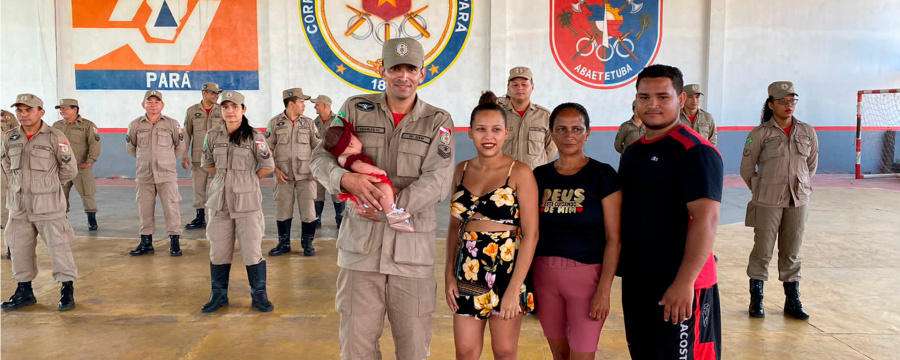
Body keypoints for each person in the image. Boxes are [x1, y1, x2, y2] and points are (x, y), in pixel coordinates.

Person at [310, 37, 455, 360]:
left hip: (412, 253)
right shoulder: (354, 108)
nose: (403, 76)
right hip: (361, 251)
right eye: (395, 68)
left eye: (411, 69)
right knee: (356, 348)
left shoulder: (437, 121)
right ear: (382, 71)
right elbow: (319, 159)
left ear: (422, 73)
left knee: (414, 349)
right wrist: (344, 178)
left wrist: (391, 205)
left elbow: (439, 180)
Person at [618, 65, 723, 360]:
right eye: (644, 97)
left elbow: (707, 219)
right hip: (639, 281)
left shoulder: (695, 151)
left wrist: (684, 282)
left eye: (663, 97)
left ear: (681, 99)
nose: (652, 104)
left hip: (680, 284)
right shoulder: (634, 153)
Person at [444, 91, 538, 359]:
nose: (489, 136)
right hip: (467, 270)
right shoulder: (460, 170)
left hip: (507, 272)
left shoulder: (519, 172)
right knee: (465, 352)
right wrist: (449, 274)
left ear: (506, 133)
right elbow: (454, 227)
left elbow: (531, 235)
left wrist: (513, 290)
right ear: (470, 132)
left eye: (496, 129)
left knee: (505, 351)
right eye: (481, 129)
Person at [532, 102, 622, 360]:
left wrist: (604, 290)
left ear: (587, 133)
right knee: (559, 355)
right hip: (544, 277)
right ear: (551, 133)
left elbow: (614, 239)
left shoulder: (602, 176)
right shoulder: (539, 176)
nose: (569, 135)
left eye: (576, 129)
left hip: (587, 280)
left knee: (582, 355)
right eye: (561, 129)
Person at [740, 81, 818, 320]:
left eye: (792, 100)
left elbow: (811, 165)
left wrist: (799, 185)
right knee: (762, 251)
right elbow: (746, 169)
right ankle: (757, 300)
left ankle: (792, 301)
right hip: (767, 202)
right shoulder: (759, 134)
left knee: (792, 251)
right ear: (771, 104)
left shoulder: (807, 131)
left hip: (798, 200)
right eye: (782, 101)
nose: (788, 105)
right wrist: (761, 190)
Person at [199, 90, 276, 313]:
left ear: (243, 110)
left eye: (234, 107)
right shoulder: (212, 135)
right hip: (219, 201)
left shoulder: (255, 137)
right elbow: (207, 164)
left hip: (247, 203)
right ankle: (218, 294)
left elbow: (267, 167)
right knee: (219, 250)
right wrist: (225, 179)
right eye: (225, 107)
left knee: (252, 249)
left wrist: (247, 180)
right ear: (220, 110)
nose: (230, 111)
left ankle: (259, 294)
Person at [1, 94, 79, 311]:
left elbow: (69, 169)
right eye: (19, 111)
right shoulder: (10, 137)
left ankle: (66, 289)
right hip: (18, 207)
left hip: (48, 206)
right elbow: (6, 165)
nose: (23, 115)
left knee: (58, 247)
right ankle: (24, 291)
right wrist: (20, 185)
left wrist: (47, 185)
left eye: (28, 110)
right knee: (18, 248)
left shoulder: (55, 136)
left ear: (41, 112)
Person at [321, 122, 414, 232]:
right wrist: (378, 171)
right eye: (355, 137)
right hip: (370, 185)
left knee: (391, 193)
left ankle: (394, 213)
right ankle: (392, 216)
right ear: (351, 143)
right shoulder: (351, 158)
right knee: (385, 190)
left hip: (366, 187)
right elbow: (361, 168)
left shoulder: (341, 158)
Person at [125, 90, 186, 257]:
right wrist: (145, 159)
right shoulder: (135, 124)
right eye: (149, 102)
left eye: (156, 102)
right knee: (145, 209)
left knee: (171, 207)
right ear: (143, 105)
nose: (153, 105)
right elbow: (131, 147)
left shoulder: (172, 124)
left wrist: (165, 159)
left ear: (162, 105)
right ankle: (146, 243)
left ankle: (174, 242)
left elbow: (180, 146)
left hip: (166, 174)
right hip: (144, 174)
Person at [265, 88, 320, 257]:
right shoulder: (275, 123)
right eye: (301, 102)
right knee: (283, 210)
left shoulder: (309, 123)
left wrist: (317, 169)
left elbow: (318, 148)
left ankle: (307, 244)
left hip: (306, 175)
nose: (304, 105)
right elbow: (267, 150)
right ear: (291, 103)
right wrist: (275, 170)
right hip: (284, 176)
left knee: (309, 211)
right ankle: (284, 243)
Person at [52, 98, 101, 231]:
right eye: (60, 109)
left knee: (87, 193)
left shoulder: (87, 125)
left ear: (75, 109)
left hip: (81, 167)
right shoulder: (57, 126)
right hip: (62, 168)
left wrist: (90, 161)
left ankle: (92, 219)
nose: (62, 111)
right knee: (60, 194)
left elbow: (94, 144)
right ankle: (62, 219)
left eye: (65, 108)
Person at [182, 82, 224, 230]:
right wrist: (184, 154)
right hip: (198, 157)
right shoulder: (192, 111)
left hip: (218, 158)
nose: (216, 96)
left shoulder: (222, 110)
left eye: (217, 93)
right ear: (204, 93)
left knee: (220, 188)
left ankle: (220, 216)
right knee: (198, 189)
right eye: (213, 93)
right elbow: (186, 134)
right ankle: (200, 217)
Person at [501, 66, 557, 169]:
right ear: (508, 88)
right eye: (515, 85)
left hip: (536, 176)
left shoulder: (544, 116)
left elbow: (551, 147)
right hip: (506, 176)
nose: (520, 88)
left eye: (524, 84)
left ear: (532, 87)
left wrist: (539, 166)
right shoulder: (499, 115)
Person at [311, 95, 345, 229]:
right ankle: (317, 219)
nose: (314, 106)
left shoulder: (339, 121)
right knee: (317, 194)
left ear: (325, 106)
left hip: (335, 164)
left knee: (337, 193)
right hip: (319, 164)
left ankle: (340, 219)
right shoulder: (313, 123)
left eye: (316, 104)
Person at [2, 108, 20, 259]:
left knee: (5, 212)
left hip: (2, 177)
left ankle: (10, 246)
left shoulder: (6, 117)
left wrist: (10, 178)